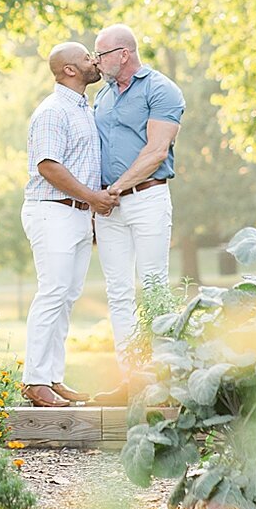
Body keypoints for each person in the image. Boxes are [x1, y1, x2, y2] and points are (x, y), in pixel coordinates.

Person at [87, 23, 185, 406]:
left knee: (155, 286)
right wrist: (96, 200)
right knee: (118, 293)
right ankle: (130, 381)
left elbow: (156, 152)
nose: (97, 62)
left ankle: (161, 380)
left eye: (102, 54)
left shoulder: (161, 90)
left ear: (123, 54)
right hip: (110, 209)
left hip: (146, 199)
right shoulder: (103, 96)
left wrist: (114, 189)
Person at [18, 41, 118, 408]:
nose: (95, 62)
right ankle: (34, 380)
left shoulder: (83, 109)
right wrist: (93, 198)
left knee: (66, 297)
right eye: (87, 59)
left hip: (76, 215)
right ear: (70, 70)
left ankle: (52, 377)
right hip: (52, 211)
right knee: (53, 291)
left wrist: (90, 206)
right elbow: (48, 165)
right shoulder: (53, 111)